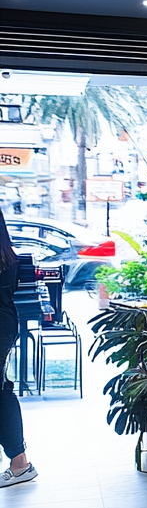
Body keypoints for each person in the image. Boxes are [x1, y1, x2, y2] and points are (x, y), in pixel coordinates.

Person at [1, 208, 37, 487]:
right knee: (2, 390)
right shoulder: (8, 257)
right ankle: (19, 462)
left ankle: (20, 462)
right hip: (5, 324)